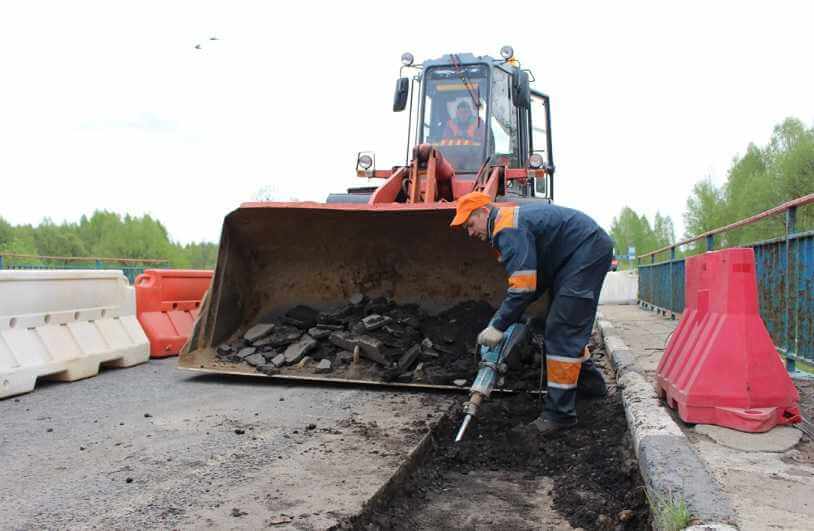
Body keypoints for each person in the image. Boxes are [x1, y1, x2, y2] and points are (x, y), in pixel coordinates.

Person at [450, 191, 614, 435]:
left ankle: (559, 416)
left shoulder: (507, 227)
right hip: (572, 257)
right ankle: (590, 386)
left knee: (562, 331)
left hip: (585, 250)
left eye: (470, 224)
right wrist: (504, 321)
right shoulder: (509, 222)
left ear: (484, 212)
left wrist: (498, 326)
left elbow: (524, 287)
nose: (470, 233)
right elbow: (531, 282)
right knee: (561, 327)